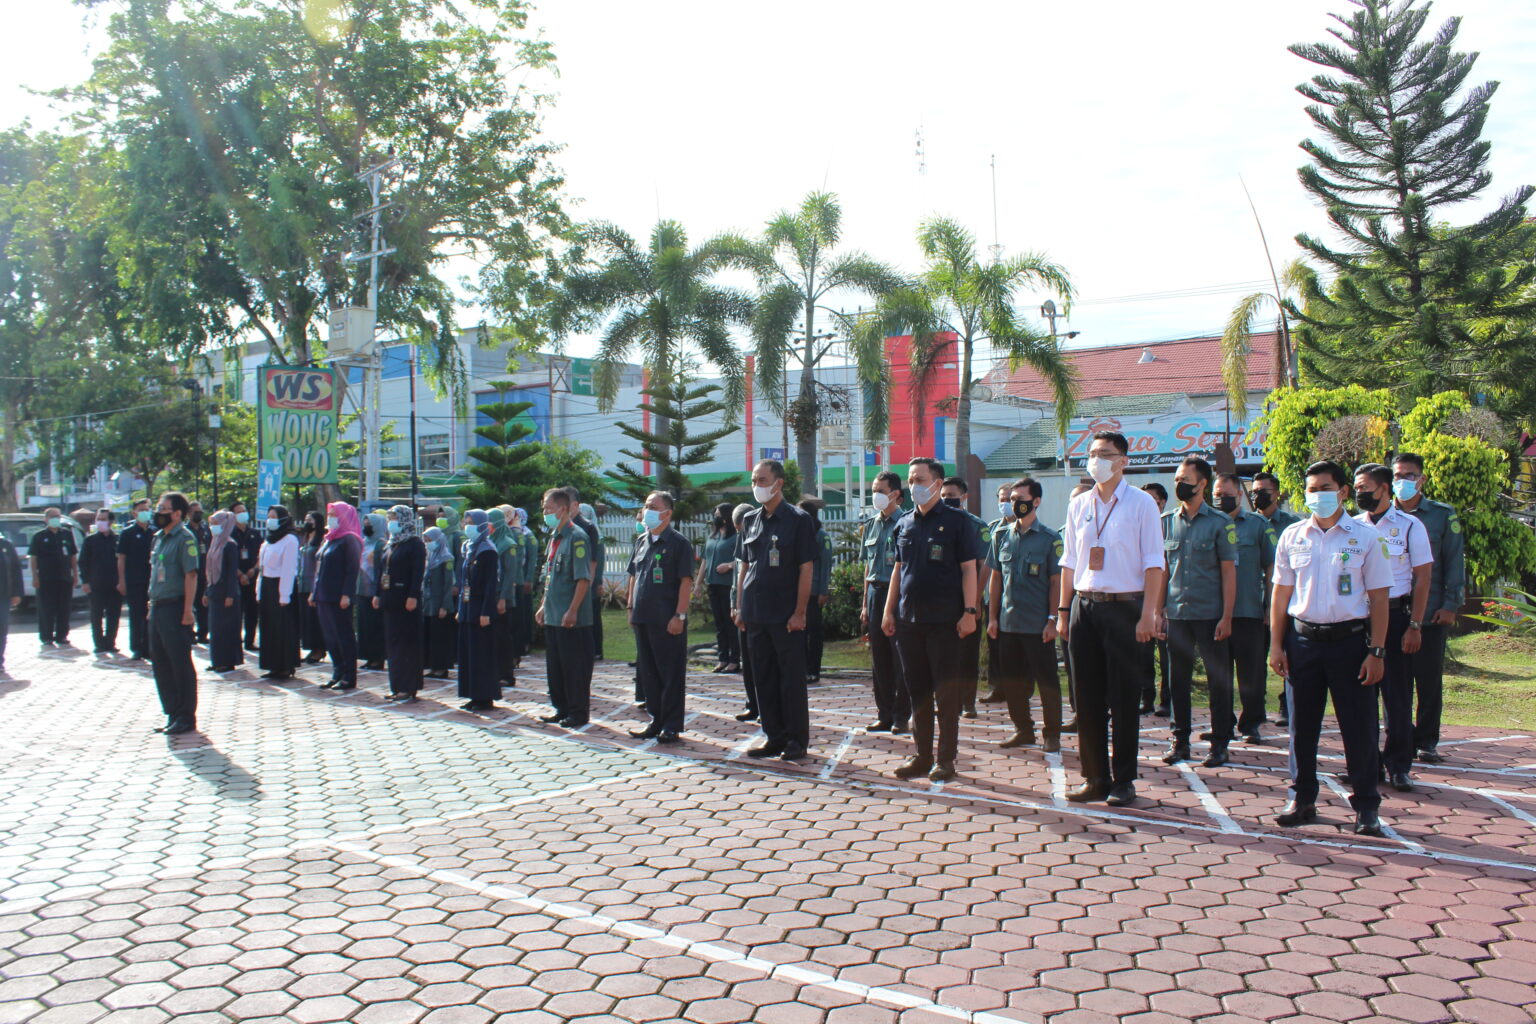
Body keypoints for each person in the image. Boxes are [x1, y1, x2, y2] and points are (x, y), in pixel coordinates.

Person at [1270, 460, 1392, 836]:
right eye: (1311, 489)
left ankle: (1367, 806)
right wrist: (1276, 645)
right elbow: (1280, 594)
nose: (1317, 496)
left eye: (1325, 488)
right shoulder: (1293, 536)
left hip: (1350, 644)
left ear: (1342, 491)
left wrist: (1377, 651)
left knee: (1359, 729)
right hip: (1302, 642)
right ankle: (1302, 798)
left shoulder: (1365, 537)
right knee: (1301, 728)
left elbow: (1380, 598)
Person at [1057, 431, 1165, 806]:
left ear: (1123, 461)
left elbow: (1154, 563)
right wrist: (1063, 611)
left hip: (1126, 608)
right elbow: (1069, 562)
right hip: (1084, 607)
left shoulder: (1141, 504)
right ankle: (1094, 777)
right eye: (1092, 453)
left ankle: (1123, 780)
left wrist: (1149, 614)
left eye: (1105, 454)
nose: (1096, 460)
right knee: (1086, 700)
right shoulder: (1079, 504)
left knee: (1123, 698)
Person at [882, 458, 981, 781]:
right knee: (918, 692)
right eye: (911, 480)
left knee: (946, 695)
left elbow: (969, 569)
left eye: (920, 480)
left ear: (937, 484)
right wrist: (888, 610)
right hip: (909, 622)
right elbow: (898, 570)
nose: (914, 486)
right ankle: (922, 756)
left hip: (945, 622)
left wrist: (970, 612)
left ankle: (946, 760)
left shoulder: (957, 521)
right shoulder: (904, 523)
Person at [1354, 463, 1433, 792]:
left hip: (1396, 615)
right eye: (1356, 489)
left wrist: (1415, 624)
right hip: (1359, 618)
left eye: (1365, 488)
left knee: (1396, 696)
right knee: (1360, 697)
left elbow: (1423, 577)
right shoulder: (1353, 526)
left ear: (1384, 489)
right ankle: (1366, 766)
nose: (1359, 494)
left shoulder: (1410, 526)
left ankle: (1399, 765)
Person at [1157, 456, 1238, 768]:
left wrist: (1227, 616)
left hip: (1210, 615)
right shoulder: (1166, 521)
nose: (1179, 484)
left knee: (1218, 681)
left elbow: (1228, 573)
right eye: (1177, 479)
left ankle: (1220, 743)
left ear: (1203, 484)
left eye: (1185, 480)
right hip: (1177, 614)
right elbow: (1162, 571)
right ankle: (1180, 741)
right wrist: (1157, 610)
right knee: (1177, 681)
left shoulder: (1220, 523)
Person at [734, 460, 816, 761]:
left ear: (778, 483)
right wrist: (739, 607)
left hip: (785, 615)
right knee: (763, 678)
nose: (756, 486)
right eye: (754, 480)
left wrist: (800, 612)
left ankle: (796, 739)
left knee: (790, 679)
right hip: (755, 613)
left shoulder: (798, 520)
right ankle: (773, 736)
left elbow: (806, 568)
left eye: (762, 480)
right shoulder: (751, 520)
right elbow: (745, 566)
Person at [1390, 453, 1465, 765]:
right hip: (1392, 611)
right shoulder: (1382, 515)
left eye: (1409, 475)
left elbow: (1454, 562)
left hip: (1432, 612)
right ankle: (1399, 738)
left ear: (1421, 479)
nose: (1402, 481)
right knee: (1394, 683)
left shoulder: (1441, 515)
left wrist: (1450, 605)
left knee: (1428, 680)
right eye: (1397, 475)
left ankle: (1426, 741)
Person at [987, 477, 1065, 751]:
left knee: (1047, 683)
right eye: (1012, 499)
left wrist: (1052, 619)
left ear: (1036, 501)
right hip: (1008, 624)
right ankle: (1023, 729)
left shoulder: (1050, 539)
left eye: (1020, 499)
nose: (1015, 503)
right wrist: (993, 618)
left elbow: (1056, 582)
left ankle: (1052, 734)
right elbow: (996, 579)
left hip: (1038, 626)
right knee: (1012, 683)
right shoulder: (1001, 536)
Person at [627, 491, 696, 743]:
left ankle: (671, 725)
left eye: (653, 506)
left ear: (667, 513)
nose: (647, 511)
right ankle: (656, 719)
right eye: (646, 506)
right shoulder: (641, 541)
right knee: (649, 673)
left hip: (667, 619)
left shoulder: (679, 543)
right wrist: (630, 607)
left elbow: (685, 581)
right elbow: (633, 575)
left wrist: (680, 615)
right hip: (643, 617)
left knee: (670, 674)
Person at [1214, 473, 1276, 743]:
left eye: (1227, 495)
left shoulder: (1257, 525)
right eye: (1217, 495)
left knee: (1251, 672)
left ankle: (1251, 723)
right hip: (1213, 612)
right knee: (1220, 674)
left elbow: (1271, 568)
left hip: (1248, 610)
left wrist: (1270, 606)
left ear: (1240, 495)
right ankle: (1222, 724)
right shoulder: (1209, 524)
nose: (1221, 499)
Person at [538, 489, 595, 727]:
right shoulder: (555, 537)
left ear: (563, 509)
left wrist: (572, 610)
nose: (545, 513)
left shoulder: (577, 537)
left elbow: (583, 579)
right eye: (544, 508)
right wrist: (543, 606)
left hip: (571, 617)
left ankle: (577, 712)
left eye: (548, 508)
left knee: (574, 668)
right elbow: (550, 576)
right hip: (553, 614)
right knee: (556, 667)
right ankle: (561, 708)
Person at [1251, 471, 1303, 726]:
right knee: (1255, 660)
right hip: (1254, 600)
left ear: (1277, 493)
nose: (1258, 496)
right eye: (1254, 492)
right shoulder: (1248, 523)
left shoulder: (1292, 526)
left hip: (1285, 601)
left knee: (1287, 654)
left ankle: (1286, 705)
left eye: (1263, 491)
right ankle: (1256, 709)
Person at [861, 472, 910, 734]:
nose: (876, 495)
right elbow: (867, 567)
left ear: (895, 494)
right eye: (873, 490)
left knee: (900, 658)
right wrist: (864, 605)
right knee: (878, 658)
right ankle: (884, 714)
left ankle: (901, 716)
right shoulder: (871, 525)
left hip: (899, 596)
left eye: (880, 490)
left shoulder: (907, 522)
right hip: (875, 593)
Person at [147, 492, 200, 734]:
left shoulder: (184, 538)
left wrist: (188, 610)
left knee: (179, 663)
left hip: (175, 607)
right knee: (161, 663)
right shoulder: (159, 538)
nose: (158, 513)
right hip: (158, 606)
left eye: (163, 509)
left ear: (177, 513)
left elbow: (191, 575)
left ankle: (186, 716)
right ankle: (172, 712)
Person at [939, 477, 991, 717]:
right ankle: (946, 700)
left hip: (968, 599)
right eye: (943, 496)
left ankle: (968, 702)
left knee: (968, 653)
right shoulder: (935, 522)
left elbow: (983, 565)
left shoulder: (976, 526)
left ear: (964, 497)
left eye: (951, 495)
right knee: (943, 653)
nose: (946, 500)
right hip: (943, 599)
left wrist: (976, 600)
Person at [376, 505, 426, 702]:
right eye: (390, 518)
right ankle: (396, 685)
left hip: (406, 601)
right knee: (393, 644)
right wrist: (377, 594)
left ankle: (408, 686)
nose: (392, 522)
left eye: (395, 518)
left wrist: (413, 595)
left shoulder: (414, 544)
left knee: (407, 645)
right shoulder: (391, 544)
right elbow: (382, 571)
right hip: (390, 599)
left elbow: (417, 572)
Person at [314, 503, 363, 690]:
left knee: (344, 636)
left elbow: (352, 569)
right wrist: (314, 592)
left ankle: (349, 676)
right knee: (330, 636)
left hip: (339, 596)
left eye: (335, 514)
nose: (331, 518)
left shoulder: (350, 539)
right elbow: (319, 568)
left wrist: (346, 594)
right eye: (330, 514)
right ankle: (337, 671)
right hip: (323, 595)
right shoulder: (329, 539)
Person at [457, 510, 501, 711]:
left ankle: (484, 696)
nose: (468, 526)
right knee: (469, 654)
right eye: (466, 522)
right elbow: (464, 581)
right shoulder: (468, 549)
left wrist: (486, 612)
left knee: (481, 654)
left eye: (472, 523)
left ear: (482, 526)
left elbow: (491, 585)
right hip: (468, 607)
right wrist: (461, 609)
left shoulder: (487, 551)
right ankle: (472, 694)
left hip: (481, 609)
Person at [1139, 481, 1173, 716]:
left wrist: (1160, 607)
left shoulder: (1169, 525)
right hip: (1138, 599)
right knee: (1142, 654)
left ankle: (1166, 700)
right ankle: (1146, 698)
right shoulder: (1134, 526)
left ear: (1162, 503)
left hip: (1165, 602)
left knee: (1166, 654)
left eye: (1153, 501)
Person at [256, 505, 300, 680]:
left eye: (274, 516)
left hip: (281, 586)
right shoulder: (268, 541)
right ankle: (272, 664)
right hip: (267, 586)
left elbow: (289, 568)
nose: (270, 520)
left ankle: (286, 665)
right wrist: (259, 591)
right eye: (269, 516)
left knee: (283, 627)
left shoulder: (290, 540)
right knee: (269, 627)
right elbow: (262, 568)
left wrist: (284, 595)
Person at [980, 484, 1015, 705]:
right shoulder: (992, 529)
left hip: (1017, 598)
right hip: (994, 597)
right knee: (995, 643)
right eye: (1002, 499)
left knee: (1017, 647)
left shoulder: (1031, 527)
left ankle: (1018, 690)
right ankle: (996, 688)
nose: (1006, 504)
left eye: (1009, 499)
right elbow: (986, 564)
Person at [28, 507, 78, 647]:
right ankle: (46, 636)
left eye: (58, 516)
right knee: (46, 609)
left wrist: (75, 574)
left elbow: (72, 556)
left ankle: (62, 635)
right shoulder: (39, 536)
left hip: (64, 578)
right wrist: (35, 576)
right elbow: (33, 558)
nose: (56, 519)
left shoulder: (66, 534)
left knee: (64, 608)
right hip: (46, 579)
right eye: (52, 517)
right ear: (46, 519)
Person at [700, 503, 740, 673]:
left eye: (718, 515)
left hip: (727, 585)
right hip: (713, 584)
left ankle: (734, 659)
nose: (715, 518)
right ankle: (723, 658)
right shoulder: (713, 537)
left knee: (730, 624)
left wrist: (729, 565)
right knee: (719, 624)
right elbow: (704, 560)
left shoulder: (736, 538)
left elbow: (742, 560)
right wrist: (698, 583)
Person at [204, 510, 244, 672]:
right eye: (212, 524)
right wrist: (206, 591)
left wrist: (230, 595)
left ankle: (228, 661)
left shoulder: (230, 545)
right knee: (215, 628)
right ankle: (217, 660)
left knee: (226, 628)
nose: (213, 527)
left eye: (216, 523)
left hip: (227, 592)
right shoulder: (214, 543)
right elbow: (209, 570)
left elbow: (231, 572)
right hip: (214, 590)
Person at [729, 502, 758, 723]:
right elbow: (737, 576)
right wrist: (735, 605)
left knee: (760, 662)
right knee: (747, 661)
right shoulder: (741, 538)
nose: (740, 533)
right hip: (742, 607)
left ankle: (765, 706)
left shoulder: (759, 535)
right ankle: (752, 704)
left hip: (757, 607)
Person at [117, 499, 156, 661]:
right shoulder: (128, 533)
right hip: (134, 580)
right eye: (141, 510)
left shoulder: (155, 532)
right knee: (136, 615)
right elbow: (121, 558)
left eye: (147, 509)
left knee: (150, 615)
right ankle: (137, 647)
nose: (145, 512)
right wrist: (121, 581)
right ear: (134, 513)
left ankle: (149, 647)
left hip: (152, 580)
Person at [81, 509, 123, 655]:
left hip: (115, 585)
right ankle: (99, 644)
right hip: (96, 584)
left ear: (111, 522)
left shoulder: (118, 539)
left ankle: (110, 643)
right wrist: (85, 581)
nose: (100, 522)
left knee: (113, 615)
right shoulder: (90, 540)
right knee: (96, 615)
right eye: (98, 519)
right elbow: (83, 562)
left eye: (103, 519)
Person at [800, 498, 833, 683]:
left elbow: (825, 565)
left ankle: (813, 670)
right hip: (800, 592)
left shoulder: (821, 536)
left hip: (814, 592)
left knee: (813, 634)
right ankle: (803, 668)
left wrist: (823, 591)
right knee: (800, 633)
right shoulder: (800, 534)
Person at [489, 507, 521, 685]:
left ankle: (506, 675)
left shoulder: (508, 544)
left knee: (503, 638)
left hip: (503, 598)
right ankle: (495, 672)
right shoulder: (490, 542)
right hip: (491, 595)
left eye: (490, 523)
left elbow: (510, 574)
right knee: (493, 637)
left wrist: (503, 598)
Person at [570, 496, 604, 660]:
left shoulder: (590, 531)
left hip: (591, 582)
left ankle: (596, 650)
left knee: (592, 616)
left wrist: (597, 582)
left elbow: (596, 561)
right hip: (584, 581)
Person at [422, 526, 458, 679]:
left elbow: (448, 584)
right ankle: (433, 666)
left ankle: (441, 668)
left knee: (440, 638)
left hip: (440, 604)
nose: (428, 543)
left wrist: (445, 606)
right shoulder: (430, 557)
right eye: (426, 540)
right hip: (429, 604)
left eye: (430, 540)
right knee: (430, 636)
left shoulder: (446, 558)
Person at [228, 502, 262, 650]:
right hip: (236, 579)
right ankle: (236, 641)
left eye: (244, 510)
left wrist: (254, 570)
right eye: (238, 512)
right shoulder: (230, 534)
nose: (242, 514)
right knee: (236, 613)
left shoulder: (254, 533)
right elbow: (228, 560)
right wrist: (240, 574)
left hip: (252, 578)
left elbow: (261, 554)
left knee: (252, 612)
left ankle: (250, 641)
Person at [357, 512, 387, 671]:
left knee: (375, 626)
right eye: (365, 524)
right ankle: (368, 657)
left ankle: (377, 658)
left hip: (374, 590)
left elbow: (382, 570)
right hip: (362, 590)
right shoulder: (363, 543)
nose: (366, 527)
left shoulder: (381, 545)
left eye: (370, 524)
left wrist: (379, 592)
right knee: (364, 626)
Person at [297, 512, 327, 664]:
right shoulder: (305, 538)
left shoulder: (321, 540)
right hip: (302, 583)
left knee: (315, 619)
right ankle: (311, 647)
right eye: (306, 519)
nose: (307, 522)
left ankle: (319, 649)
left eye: (310, 520)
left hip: (313, 583)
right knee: (306, 619)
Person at [187, 502, 211, 644]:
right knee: (190, 604)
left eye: (200, 512)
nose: (198, 515)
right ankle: (190, 633)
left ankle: (203, 634)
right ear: (189, 514)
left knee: (203, 605)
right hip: (190, 573)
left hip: (204, 572)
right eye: (195, 512)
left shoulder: (206, 529)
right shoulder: (185, 531)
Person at [0, 526, 20, 675]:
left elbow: (15, 570)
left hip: (3, 595)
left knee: (2, 628)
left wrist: (16, 593)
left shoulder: (6, 545)